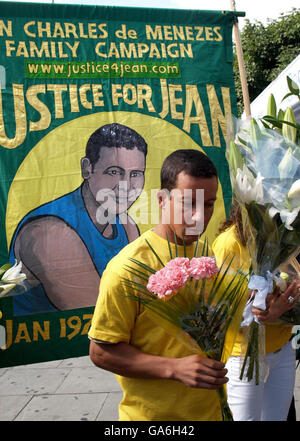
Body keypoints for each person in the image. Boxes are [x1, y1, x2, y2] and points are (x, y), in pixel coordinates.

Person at [88, 149, 242, 421]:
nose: (199, 218)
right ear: (161, 199)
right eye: (187, 204)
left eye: (208, 204)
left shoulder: (206, 253)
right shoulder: (128, 268)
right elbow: (101, 351)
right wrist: (173, 368)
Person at [9, 123, 147, 314]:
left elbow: (140, 298)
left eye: (136, 174)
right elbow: (104, 314)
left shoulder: (126, 225)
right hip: (51, 342)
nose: (126, 186)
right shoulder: (48, 231)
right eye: (114, 171)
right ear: (87, 168)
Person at [212, 201, 300, 421]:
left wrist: (285, 302)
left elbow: (293, 287)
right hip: (243, 356)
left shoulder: (288, 236)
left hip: (282, 350)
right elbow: (223, 305)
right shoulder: (229, 243)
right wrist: (262, 309)